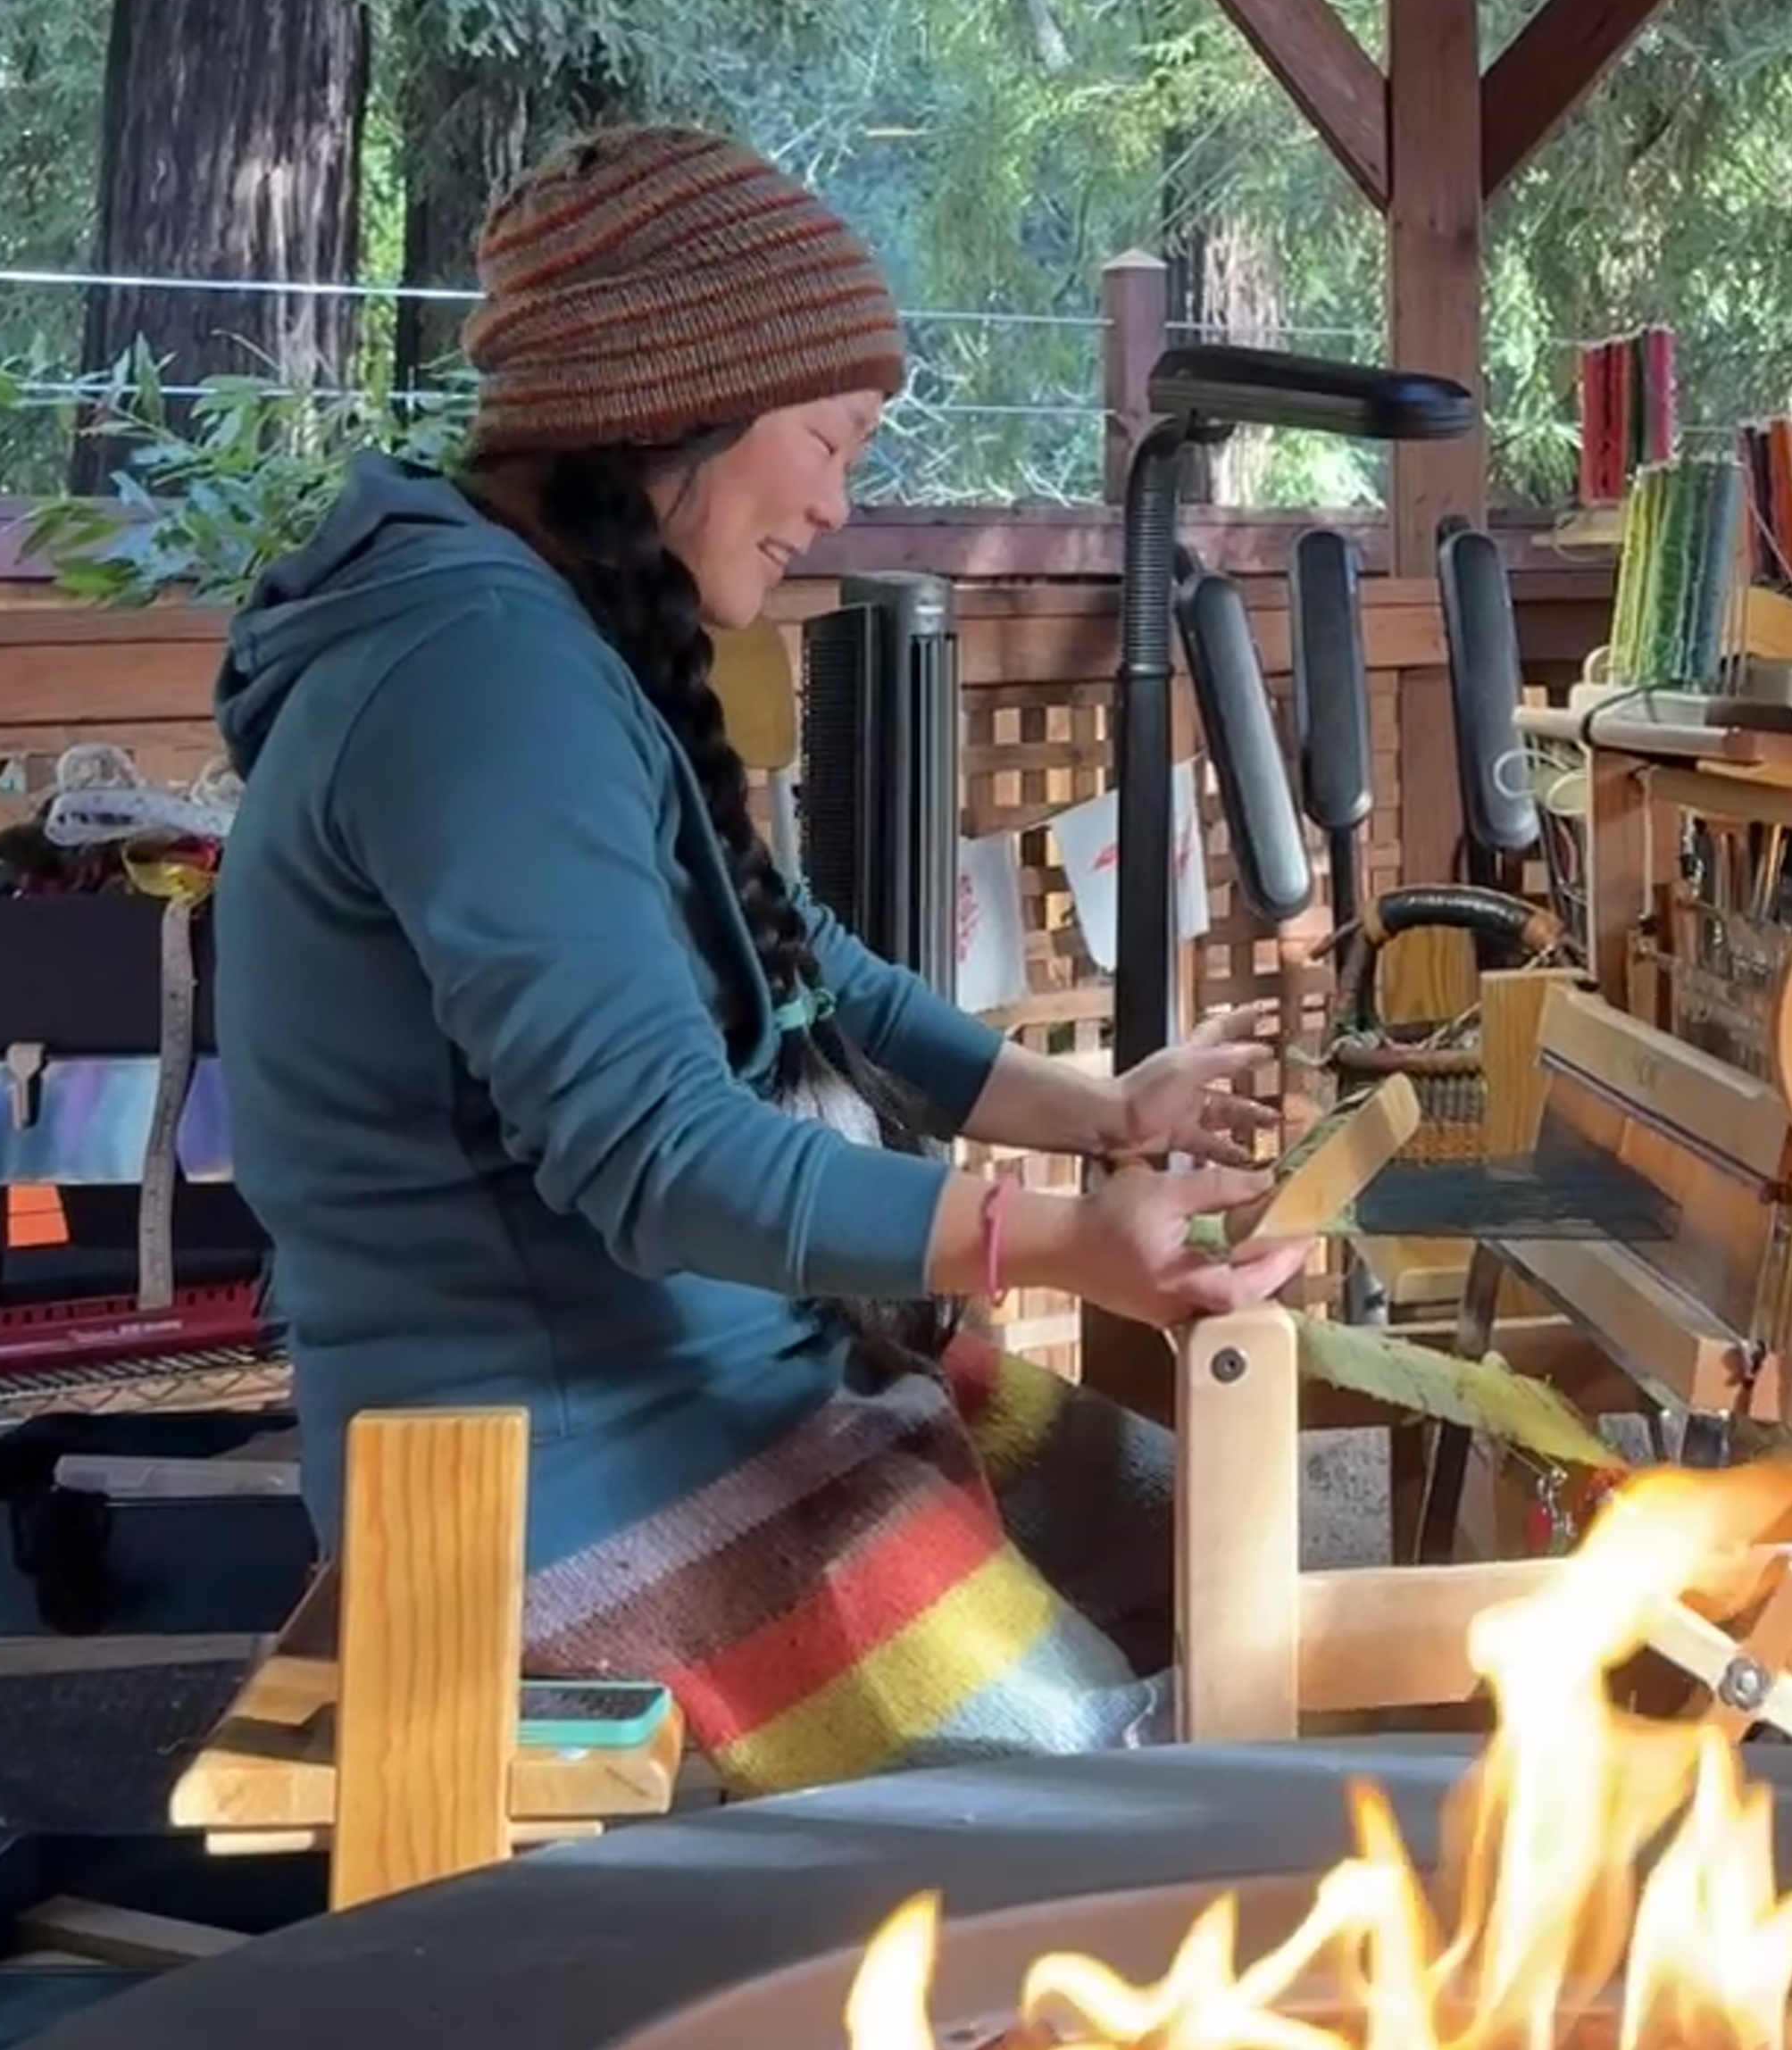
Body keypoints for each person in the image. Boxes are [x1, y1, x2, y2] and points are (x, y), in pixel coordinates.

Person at [211, 125, 1299, 1788]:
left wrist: (1095, 1110)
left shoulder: (542, 636)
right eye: (830, 439)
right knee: (1111, 1779)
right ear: (683, 403)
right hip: (568, 1475)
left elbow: (806, 966)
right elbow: (658, 1155)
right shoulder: (479, 677)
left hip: (731, 1390)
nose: (836, 501)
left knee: (1229, 1576)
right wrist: (1060, 1243)